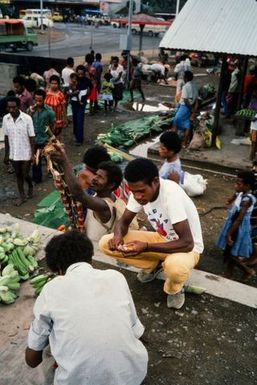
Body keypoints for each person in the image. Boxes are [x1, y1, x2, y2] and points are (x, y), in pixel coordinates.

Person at [25, 230, 148, 385]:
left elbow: (32, 360)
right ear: (90, 258)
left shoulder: (51, 289)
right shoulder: (116, 277)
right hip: (133, 376)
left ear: (58, 269)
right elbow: (136, 330)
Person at [99, 158, 204, 310]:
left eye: (141, 191)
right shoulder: (138, 192)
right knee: (105, 243)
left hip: (187, 248)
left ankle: (174, 288)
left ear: (155, 182)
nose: (137, 196)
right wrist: (117, 237)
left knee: (174, 267)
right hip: (162, 239)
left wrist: (147, 247)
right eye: (132, 191)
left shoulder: (171, 194)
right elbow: (123, 222)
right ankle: (153, 266)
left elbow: (188, 243)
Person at [50, 146, 123, 242]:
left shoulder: (104, 205)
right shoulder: (103, 197)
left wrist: (64, 162)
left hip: (97, 252)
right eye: (96, 174)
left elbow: (79, 194)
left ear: (111, 185)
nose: (94, 178)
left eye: (100, 177)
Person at [216, 171, 256, 280]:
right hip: (233, 224)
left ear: (247, 186)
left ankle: (247, 270)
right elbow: (235, 195)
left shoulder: (247, 200)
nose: (235, 186)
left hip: (238, 228)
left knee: (231, 253)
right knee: (230, 251)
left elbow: (239, 219)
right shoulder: (241, 193)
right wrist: (231, 199)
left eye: (238, 184)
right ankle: (229, 273)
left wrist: (229, 234)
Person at [3, 96, 35, 206]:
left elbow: (32, 137)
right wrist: (6, 155)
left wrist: (33, 153)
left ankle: (30, 185)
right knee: (18, 174)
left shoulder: (27, 119)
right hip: (14, 152)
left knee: (25, 174)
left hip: (26, 152)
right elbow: (6, 138)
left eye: (14, 107)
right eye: (9, 108)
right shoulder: (6, 119)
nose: (11, 110)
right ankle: (22, 196)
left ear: (18, 106)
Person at [28, 89, 55, 184]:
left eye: (40, 100)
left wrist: (50, 138)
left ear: (44, 99)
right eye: (36, 100)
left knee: (50, 158)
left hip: (45, 139)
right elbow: (28, 121)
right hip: (34, 139)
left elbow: (52, 124)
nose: (38, 102)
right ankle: (37, 178)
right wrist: (31, 112)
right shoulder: (31, 110)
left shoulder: (49, 111)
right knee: (36, 160)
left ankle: (53, 172)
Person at [172, 70, 198, 147]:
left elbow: (185, 100)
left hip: (184, 107)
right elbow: (197, 100)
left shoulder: (186, 87)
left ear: (185, 78)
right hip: (190, 107)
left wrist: (191, 109)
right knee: (187, 125)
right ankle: (184, 143)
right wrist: (194, 110)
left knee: (176, 121)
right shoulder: (194, 86)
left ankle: (174, 141)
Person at [72, 65, 92, 145]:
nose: (80, 76)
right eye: (78, 74)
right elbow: (69, 91)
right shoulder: (73, 80)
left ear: (84, 73)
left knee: (80, 120)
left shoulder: (86, 80)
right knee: (75, 119)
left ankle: (79, 139)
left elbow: (91, 88)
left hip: (82, 103)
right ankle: (76, 135)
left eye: (82, 74)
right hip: (74, 102)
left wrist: (86, 96)